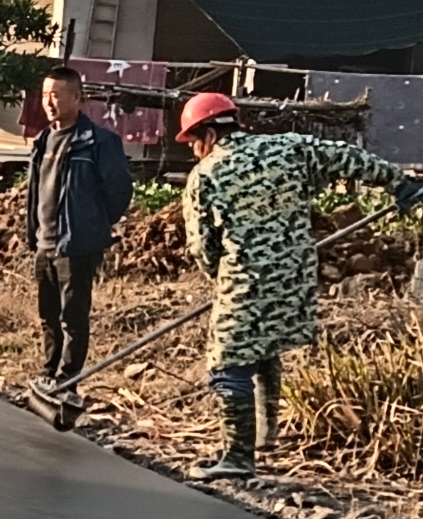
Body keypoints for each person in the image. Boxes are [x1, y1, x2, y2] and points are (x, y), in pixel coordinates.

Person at [173, 90, 407, 479]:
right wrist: (397, 183)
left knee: (229, 364)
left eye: (193, 143)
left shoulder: (206, 175)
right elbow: (347, 157)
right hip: (297, 279)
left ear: (209, 134)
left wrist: (219, 277)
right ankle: (264, 436)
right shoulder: (288, 148)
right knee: (264, 347)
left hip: (246, 279)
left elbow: (202, 247)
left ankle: (237, 457)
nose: (194, 151)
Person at [23, 66, 135, 387]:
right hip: (44, 243)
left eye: (57, 96)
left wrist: (93, 225)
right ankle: (48, 373)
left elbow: (119, 191)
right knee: (48, 315)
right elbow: (35, 193)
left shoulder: (99, 142)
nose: (49, 103)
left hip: (77, 245)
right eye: (46, 95)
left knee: (73, 317)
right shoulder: (43, 140)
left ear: (77, 98)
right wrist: (33, 233)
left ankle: (68, 379)